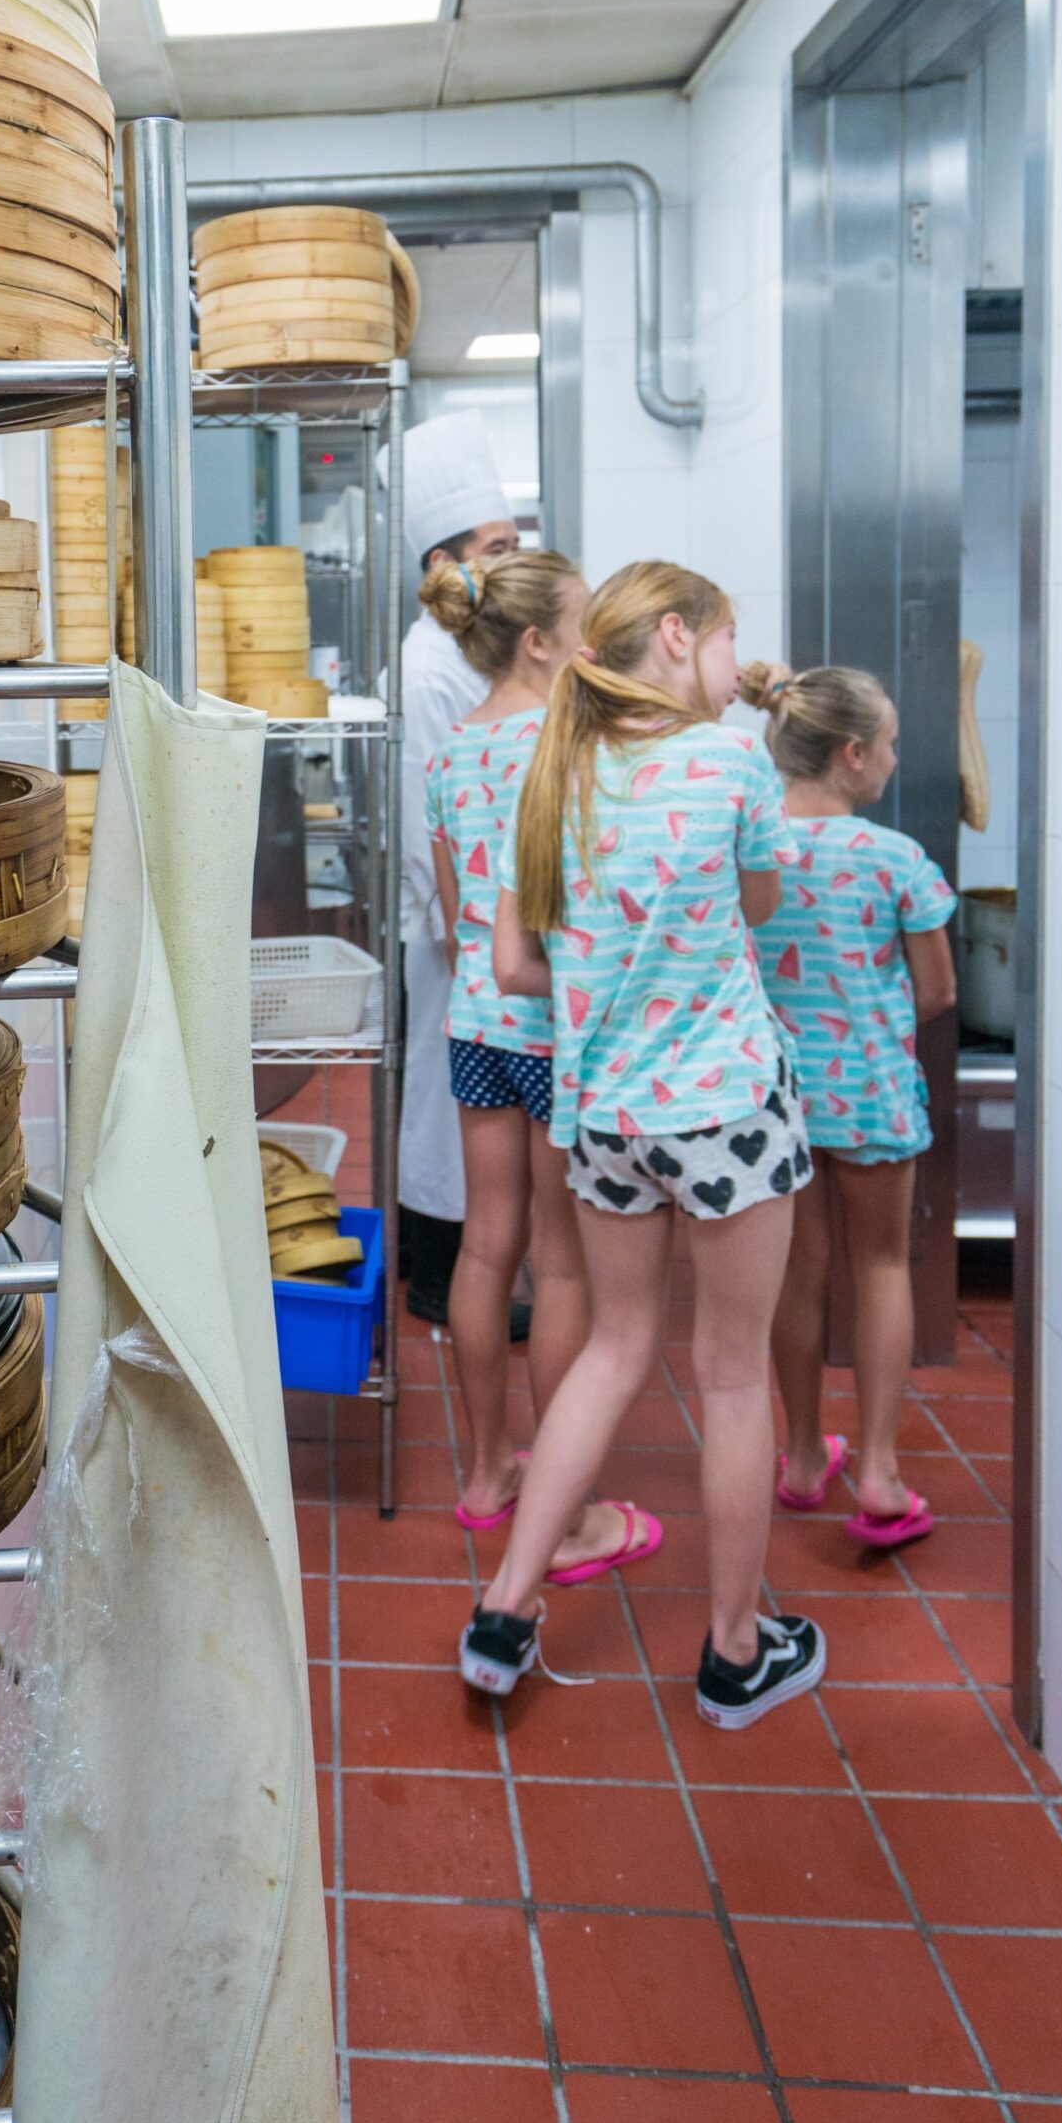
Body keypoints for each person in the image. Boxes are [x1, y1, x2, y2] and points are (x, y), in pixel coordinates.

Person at [465, 561, 827, 1733]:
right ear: (675, 636)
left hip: (603, 1115)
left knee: (612, 1350)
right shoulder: (729, 761)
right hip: (723, 1108)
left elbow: (514, 965)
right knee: (729, 1373)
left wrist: (601, 969)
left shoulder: (552, 769)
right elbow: (757, 906)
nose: (731, 664)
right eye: (725, 640)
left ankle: (502, 1611)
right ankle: (734, 1652)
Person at [424, 548, 656, 1582]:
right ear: (537, 642)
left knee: (485, 1248)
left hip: (476, 1022)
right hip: (557, 1030)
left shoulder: (450, 755)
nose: (593, 644)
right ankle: (567, 1515)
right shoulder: (572, 747)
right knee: (559, 1266)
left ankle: (485, 1475)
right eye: (582, 626)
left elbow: (453, 920)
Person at [742, 663, 958, 1551]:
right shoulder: (895, 859)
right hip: (870, 1090)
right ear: (852, 753)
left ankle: (801, 1458)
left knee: (796, 1272)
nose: (895, 760)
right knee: (880, 1266)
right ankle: (877, 1470)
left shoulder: (750, 852)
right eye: (891, 744)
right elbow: (938, 991)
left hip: (774, 1096)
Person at [386, 411, 521, 1326]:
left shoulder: (477, 654)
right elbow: (419, 815)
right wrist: (459, 929)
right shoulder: (427, 667)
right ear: (446, 563)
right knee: (442, 1097)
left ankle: (469, 1262)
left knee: (469, 1098)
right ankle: (438, 1273)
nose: (514, 560)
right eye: (498, 547)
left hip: (490, 923)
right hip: (455, 926)